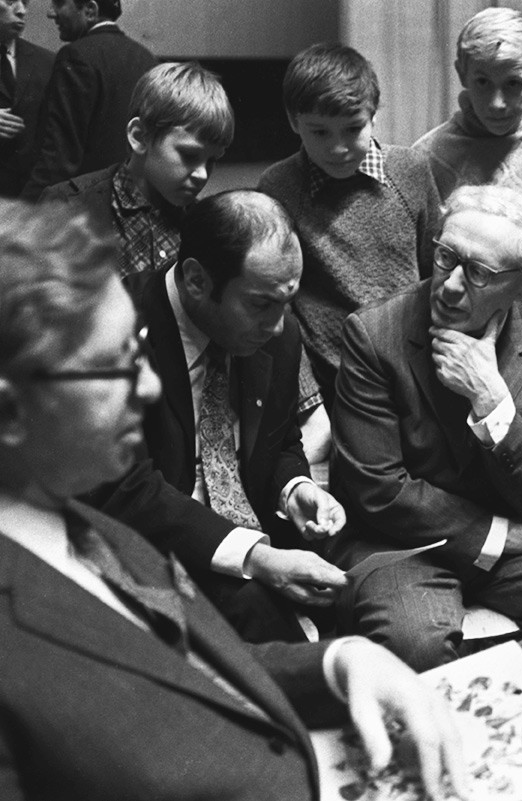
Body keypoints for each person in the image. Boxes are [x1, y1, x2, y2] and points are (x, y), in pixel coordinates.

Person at [0, 198, 466, 801]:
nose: (146, 386)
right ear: (9, 410)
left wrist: (337, 663)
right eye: (115, 366)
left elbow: (183, 674)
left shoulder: (89, 529)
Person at [330, 185, 522, 670]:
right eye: (446, 257)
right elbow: (378, 490)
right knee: (417, 648)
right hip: (401, 544)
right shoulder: (373, 333)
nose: (448, 285)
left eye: (480, 274)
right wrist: (502, 536)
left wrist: (491, 401)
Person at [92, 189, 349, 643]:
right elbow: (124, 489)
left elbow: (282, 439)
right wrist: (257, 558)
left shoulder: (279, 333)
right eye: (260, 304)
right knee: (268, 626)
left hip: (258, 532)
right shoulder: (114, 331)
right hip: (152, 547)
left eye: (286, 301)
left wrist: (296, 488)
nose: (278, 323)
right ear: (196, 280)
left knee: (357, 597)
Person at [258, 42, 440, 406]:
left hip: (414, 376)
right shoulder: (277, 187)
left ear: (374, 115)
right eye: (320, 132)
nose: (338, 148)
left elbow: (437, 272)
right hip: (332, 387)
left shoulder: (411, 171)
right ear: (294, 121)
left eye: (353, 129)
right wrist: (309, 400)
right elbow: (281, 306)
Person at [413, 7, 522, 319]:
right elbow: (421, 263)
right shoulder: (427, 155)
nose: (497, 103)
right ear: (461, 73)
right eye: (483, 82)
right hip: (449, 327)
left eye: (513, 84)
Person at [39, 61, 233, 276]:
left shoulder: (203, 224)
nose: (202, 175)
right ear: (139, 137)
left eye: (212, 161)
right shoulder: (68, 207)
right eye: (189, 156)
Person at [21, 0, 157, 199]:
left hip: (85, 206)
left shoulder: (76, 56)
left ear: (90, 10)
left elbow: (59, 157)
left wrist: (21, 214)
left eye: (59, 3)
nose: (51, 13)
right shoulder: (147, 58)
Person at [0, 0, 53, 197]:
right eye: (11, 1)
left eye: (25, 2)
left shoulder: (47, 62)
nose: (22, 11)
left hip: (28, 201)